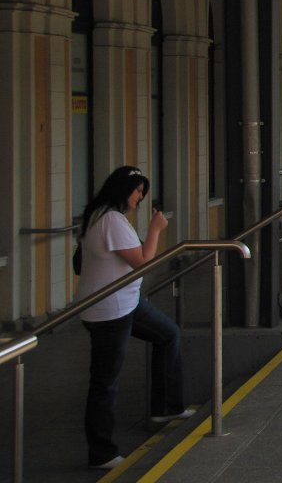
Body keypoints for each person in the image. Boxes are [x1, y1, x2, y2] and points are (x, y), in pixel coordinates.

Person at [75, 166, 193, 470]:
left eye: (143, 191)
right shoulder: (111, 219)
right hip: (110, 310)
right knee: (105, 381)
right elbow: (142, 262)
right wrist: (155, 230)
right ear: (122, 189)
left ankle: (166, 407)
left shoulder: (98, 214)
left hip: (124, 302)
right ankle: (101, 452)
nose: (140, 197)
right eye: (137, 190)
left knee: (168, 334)